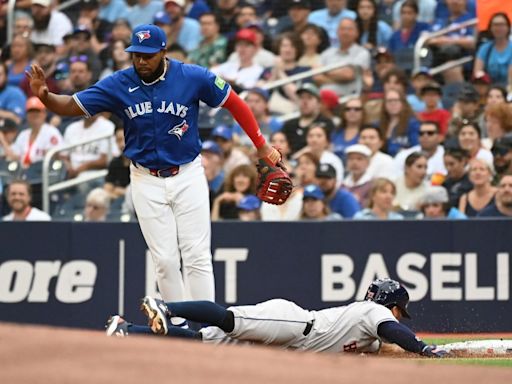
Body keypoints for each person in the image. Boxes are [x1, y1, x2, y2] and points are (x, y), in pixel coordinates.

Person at [26, 24, 284, 308]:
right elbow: (71, 106)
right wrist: (46, 97)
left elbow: (235, 103)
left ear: (163, 52)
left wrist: (261, 145)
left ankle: (207, 325)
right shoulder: (118, 83)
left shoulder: (191, 76)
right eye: (136, 54)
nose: (141, 61)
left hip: (187, 173)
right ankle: (179, 324)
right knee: (164, 259)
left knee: (197, 254)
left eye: (147, 55)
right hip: (145, 178)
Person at [106, 277, 448, 358]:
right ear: (392, 305)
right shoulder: (373, 312)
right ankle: (169, 307)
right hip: (295, 324)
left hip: (289, 341)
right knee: (228, 319)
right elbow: (395, 331)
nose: (399, 317)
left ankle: (127, 329)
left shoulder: (369, 335)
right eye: (400, 310)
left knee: (203, 341)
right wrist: (424, 349)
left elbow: (388, 346)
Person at [473, 13, 512, 88]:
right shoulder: (485, 48)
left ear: (508, 27)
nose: (498, 28)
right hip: (488, 88)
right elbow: (477, 72)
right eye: (495, 25)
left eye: (502, 25)